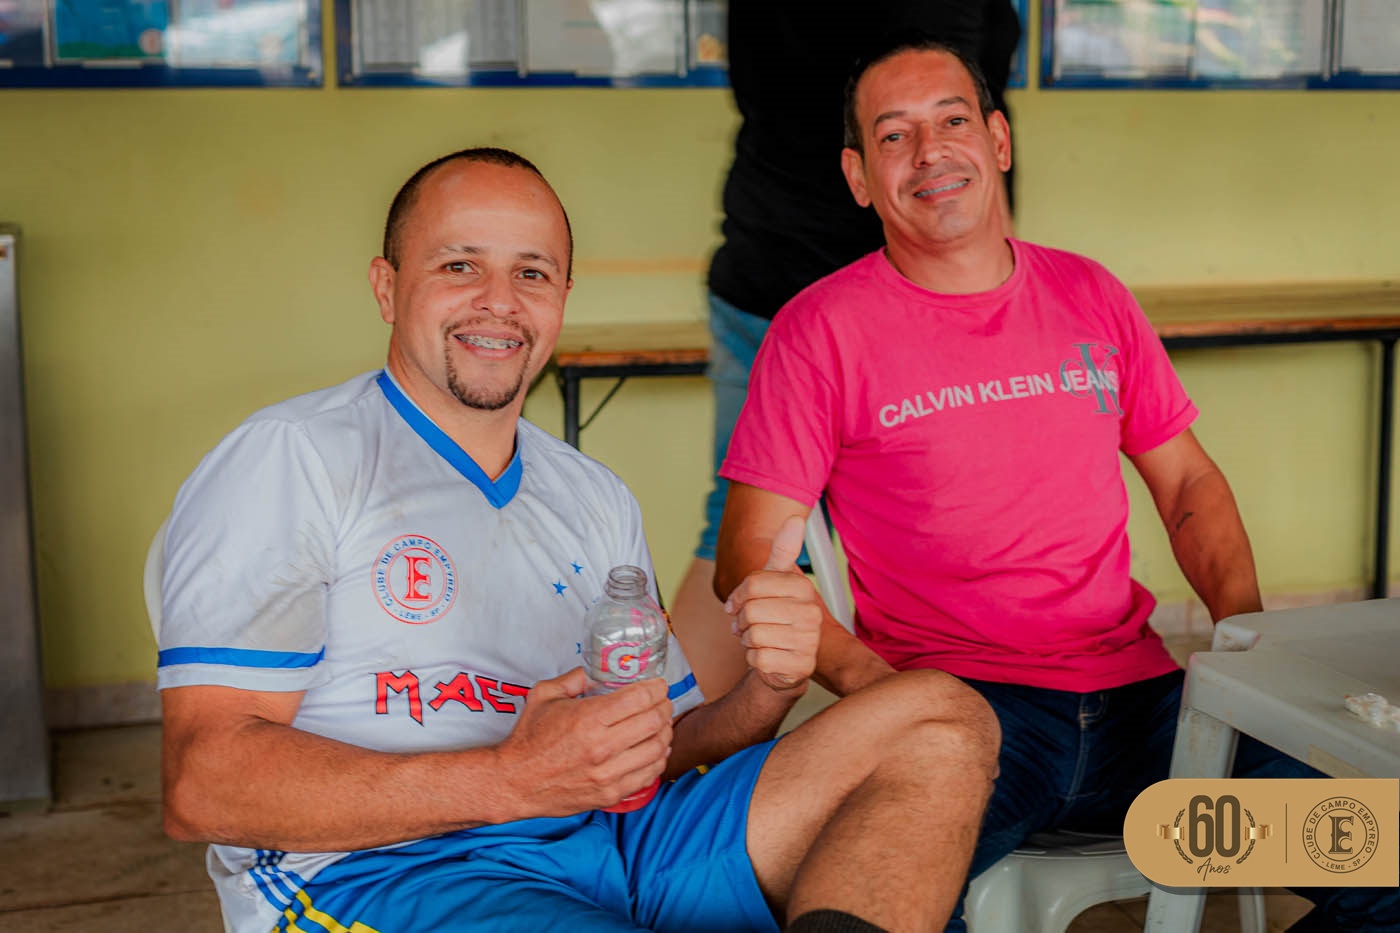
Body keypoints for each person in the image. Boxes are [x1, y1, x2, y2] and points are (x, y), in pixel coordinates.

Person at [156, 147, 1000, 933]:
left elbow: (659, 744)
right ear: (387, 286)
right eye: (459, 266)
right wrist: (512, 779)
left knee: (942, 717)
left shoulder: (591, 495)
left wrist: (768, 690)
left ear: (562, 296)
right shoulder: (294, 458)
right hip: (389, 871)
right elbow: (203, 782)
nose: (499, 300)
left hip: (615, 841)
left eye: (532, 272)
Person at [712, 35, 1400, 933]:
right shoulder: (819, 331)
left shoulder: (1091, 295)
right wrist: (888, 694)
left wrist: (1246, 647)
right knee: (869, 898)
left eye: (952, 121)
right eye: (894, 136)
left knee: (1383, 853)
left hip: (1152, 718)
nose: (930, 153)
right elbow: (748, 559)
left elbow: (1188, 482)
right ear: (859, 177)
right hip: (966, 720)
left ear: (997, 140)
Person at [672, 2, 1022, 698]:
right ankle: (668, 745)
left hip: (765, 263)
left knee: (750, 537)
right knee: (774, 543)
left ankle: (665, 741)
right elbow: (950, 134)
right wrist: (1006, 312)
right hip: (877, 297)